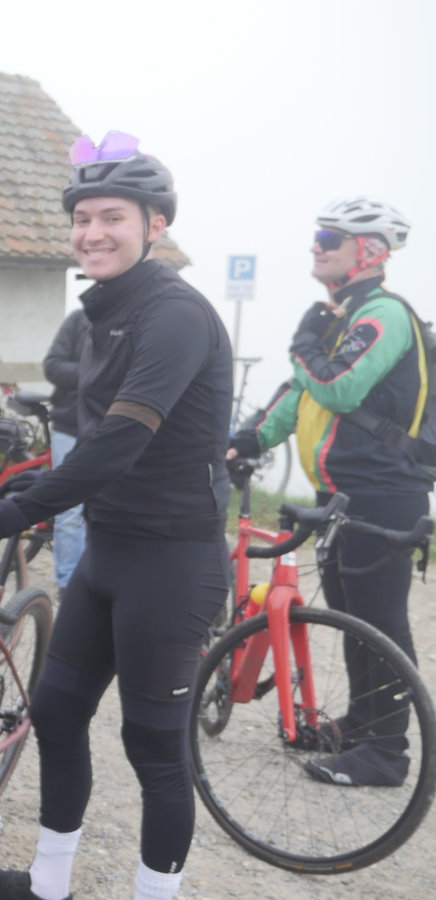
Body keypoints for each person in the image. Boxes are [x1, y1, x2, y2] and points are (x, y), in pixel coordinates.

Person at [0, 133, 233, 900]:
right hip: (110, 549)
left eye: (113, 217)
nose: (93, 232)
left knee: (154, 747)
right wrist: (20, 497)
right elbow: (89, 441)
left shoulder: (174, 314)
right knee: (56, 713)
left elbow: (116, 445)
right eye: (82, 218)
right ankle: (50, 887)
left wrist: (1, 520)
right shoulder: (105, 311)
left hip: (172, 563)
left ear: (155, 225)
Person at [230, 196, 426, 787]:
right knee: (351, 615)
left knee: (380, 622)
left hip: (382, 493)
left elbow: (338, 387)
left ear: (369, 251)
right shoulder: (342, 318)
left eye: (329, 238)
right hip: (341, 494)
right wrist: (248, 440)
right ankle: (364, 726)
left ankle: (387, 752)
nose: (316, 247)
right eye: (318, 236)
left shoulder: (384, 315)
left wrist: (304, 343)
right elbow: (301, 392)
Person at [42, 308, 90, 590]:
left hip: (113, 427)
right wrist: (95, 371)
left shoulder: (139, 321)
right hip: (69, 426)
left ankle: (98, 581)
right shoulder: (78, 320)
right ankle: (69, 586)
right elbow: (52, 366)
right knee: (70, 510)